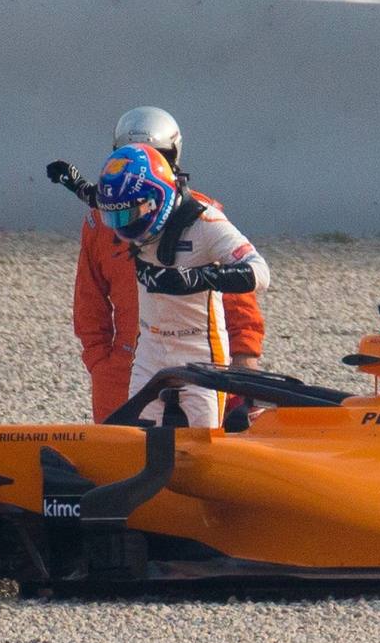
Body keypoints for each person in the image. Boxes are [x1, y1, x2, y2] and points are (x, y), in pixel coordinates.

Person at [46, 107, 265, 421]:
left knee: (200, 457)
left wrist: (245, 359)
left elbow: (240, 293)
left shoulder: (201, 216)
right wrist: (100, 363)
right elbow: (89, 302)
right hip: (125, 365)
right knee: (121, 458)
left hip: (198, 358)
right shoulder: (102, 219)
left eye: (155, 155)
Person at [90, 142, 269, 427]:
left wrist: (199, 278)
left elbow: (261, 273)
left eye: (128, 215)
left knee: (202, 440)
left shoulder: (207, 223)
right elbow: (109, 202)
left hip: (199, 350)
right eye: (115, 217)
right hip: (149, 347)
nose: (123, 226)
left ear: (155, 198)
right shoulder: (133, 206)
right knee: (136, 438)